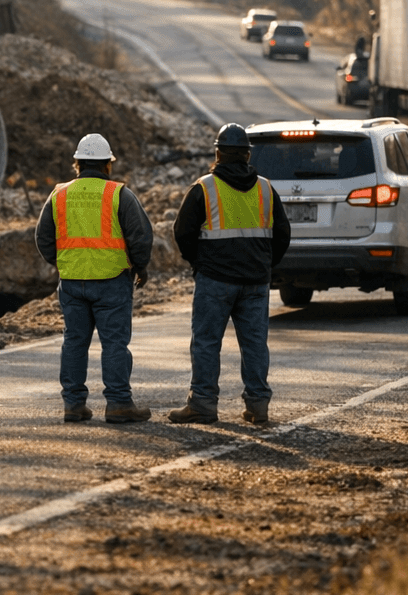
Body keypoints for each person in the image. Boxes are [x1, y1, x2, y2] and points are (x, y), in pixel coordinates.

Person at [169, 122, 291, 425]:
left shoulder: (204, 188)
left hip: (215, 280)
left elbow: (182, 232)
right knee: (254, 343)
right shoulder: (265, 188)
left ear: (218, 153)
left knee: (207, 342)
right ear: (247, 155)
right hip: (255, 280)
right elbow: (283, 233)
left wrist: (199, 263)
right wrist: (265, 263)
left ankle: (203, 404)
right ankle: (258, 406)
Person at [36, 133, 154, 424]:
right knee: (114, 343)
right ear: (107, 165)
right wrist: (141, 267)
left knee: (74, 342)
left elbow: (42, 238)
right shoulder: (119, 194)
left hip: (73, 282)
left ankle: (74, 405)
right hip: (112, 281)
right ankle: (118, 404)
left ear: (76, 164)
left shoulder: (59, 194)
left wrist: (63, 261)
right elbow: (140, 236)